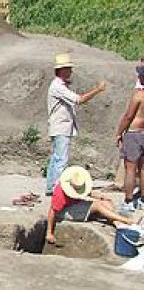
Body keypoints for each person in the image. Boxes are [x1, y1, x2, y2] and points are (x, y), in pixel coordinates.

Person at [45, 53, 107, 196]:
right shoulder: (58, 87)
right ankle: (57, 189)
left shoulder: (59, 86)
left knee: (56, 158)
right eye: (68, 69)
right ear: (62, 70)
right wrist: (97, 89)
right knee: (61, 159)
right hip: (61, 127)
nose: (71, 72)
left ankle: (51, 187)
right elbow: (78, 100)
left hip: (59, 126)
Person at [47, 166, 136, 245]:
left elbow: (89, 193)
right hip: (64, 212)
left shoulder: (78, 184)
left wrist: (102, 197)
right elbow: (52, 210)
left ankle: (117, 223)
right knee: (97, 206)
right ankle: (125, 220)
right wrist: (49, 232)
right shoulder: (59, 193)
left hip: (75, 205)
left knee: (105, 203)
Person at [115, 64, 144, 214]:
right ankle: (143, 200)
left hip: (134, 133)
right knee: (143, 168)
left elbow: (128, 116)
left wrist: (119, 132)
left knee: (130, 169)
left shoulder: (139, 95)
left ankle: (128, 200)